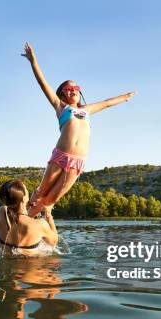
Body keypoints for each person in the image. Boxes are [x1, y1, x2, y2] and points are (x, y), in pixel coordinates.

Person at [22, 41, 136, 217]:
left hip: (78, 161)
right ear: (62, 94)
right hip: (61, 155)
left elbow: (106, 103)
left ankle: (33, 231)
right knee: (40, 192)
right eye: (68, 88)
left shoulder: (86, 110)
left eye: (76, 88)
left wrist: (124, 98)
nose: (73, 90)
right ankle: (20, 223)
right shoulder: (61, 107)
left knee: (51, 199)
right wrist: (33, 61)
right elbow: (42, 83)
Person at [0, 179, 58, 256]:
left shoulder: (1, 212)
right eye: (26, 189)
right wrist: (48, 214)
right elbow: (53, 242)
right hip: (29, 265)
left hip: (4, 265)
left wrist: (27, 204)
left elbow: (15, 211)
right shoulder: (39, 224)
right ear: (24, 198)